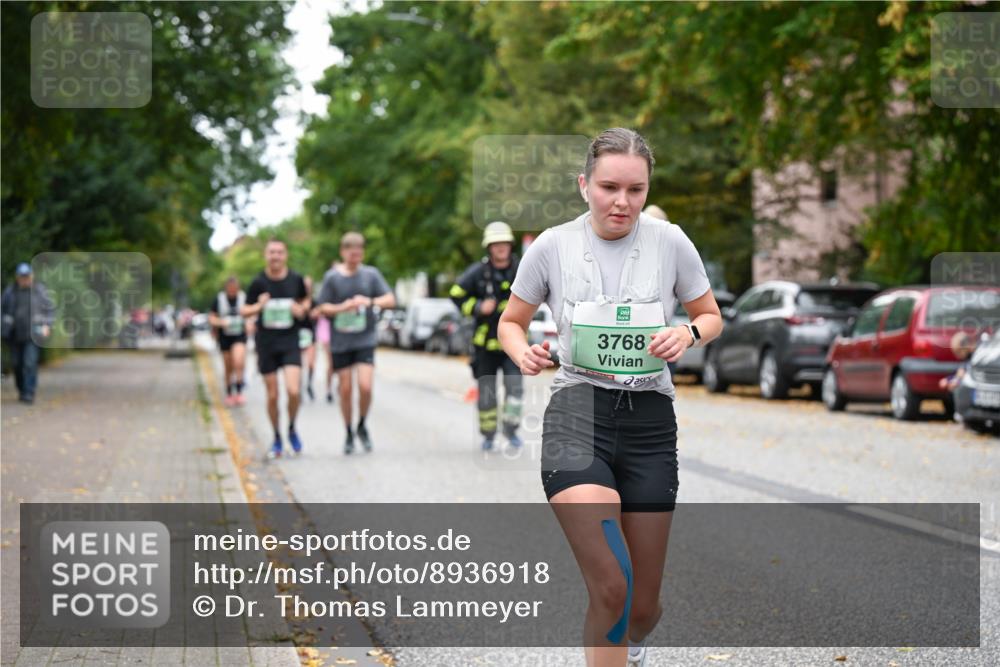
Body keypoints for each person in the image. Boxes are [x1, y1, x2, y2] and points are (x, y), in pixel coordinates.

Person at [498, 128, 723, 667]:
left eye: (636, 189)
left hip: (649, 424)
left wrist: (688, 334)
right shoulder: (551, 246)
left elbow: (710, 315)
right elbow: (512, 321)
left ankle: (633, 647)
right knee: (613, 585)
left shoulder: (671, 243)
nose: (622, 201)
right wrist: (521, 352)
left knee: (643, 607)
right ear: (584, 185)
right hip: (577, 418)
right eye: (609, 187)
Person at [315, 232, 395, 454]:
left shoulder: (371, 275)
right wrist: (343, 307)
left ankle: (361, 424)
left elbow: (390, 299)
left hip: (365, 339)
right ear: (343, 252)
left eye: (359, 254)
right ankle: (348, 431)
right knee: (346, 389)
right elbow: (322, 307)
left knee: (366, 386)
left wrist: (368, 301)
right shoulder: (332, 277)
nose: (355, 258)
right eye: (351, 254)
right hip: (341, 341)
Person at [449, 221, 524, 451]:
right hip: (484, 345)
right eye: (495, 244)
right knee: (487, 395)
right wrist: (478, 307)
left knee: (515, 391)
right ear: (489, 247)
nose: (500, 247)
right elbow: (456, 294)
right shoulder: (478, 272)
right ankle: (489, 435)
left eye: (504, 243)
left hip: (514, 344)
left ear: (510, 245)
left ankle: (511, 431)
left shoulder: (522, 268)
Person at [241, 239, 309, 459]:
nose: (276, 256)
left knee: (293, 390)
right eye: (272, 252)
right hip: (267, 343)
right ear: (266, 255)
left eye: (280, 252)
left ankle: (291, 427)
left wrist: (300, 309)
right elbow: (244, 310)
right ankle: (277, 436)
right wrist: (259, 306)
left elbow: (306, 303)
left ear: (286, 255)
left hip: (290, 341)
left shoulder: (295, 279)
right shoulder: (258, 283)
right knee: (272, 395)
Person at [1, 263, 55, 404]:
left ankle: (29, 392)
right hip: (14, 335)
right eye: (22, 276)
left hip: (33, 334)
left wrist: (47, 325)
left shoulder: (40, 291)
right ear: (17, 277)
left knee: (29, 363)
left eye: (27, 276)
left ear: (32, 276)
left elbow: (50, 310)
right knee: (17, 364)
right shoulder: (9, 292)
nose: (25, 279)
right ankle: (22, 389)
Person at [208, 276, 248, 406]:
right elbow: (211, 317)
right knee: (228, 366)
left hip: (239, 335)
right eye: (230, 289)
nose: (232, 291)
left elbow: (251, 313)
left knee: (238, 361)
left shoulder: (244, 298)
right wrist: (220, 322)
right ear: (226, 288)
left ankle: (240, 391)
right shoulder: (219, 299)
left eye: (234, 289)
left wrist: (250, 323)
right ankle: (230, 392)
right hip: (225, 337)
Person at [298, 276, 318, 401]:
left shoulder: (314, 302)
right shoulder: (296, 300)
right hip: (297, 336)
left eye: (309, 286)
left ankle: (309, 384)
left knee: (310, 363)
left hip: (310, 335)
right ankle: (298, 387)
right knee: (298, 364)